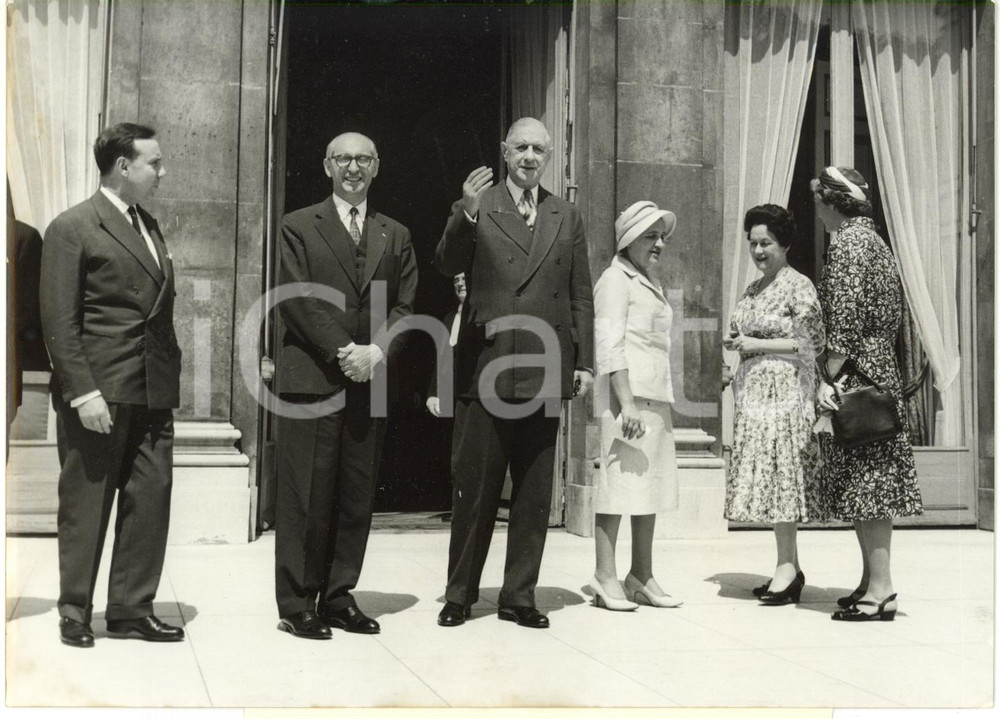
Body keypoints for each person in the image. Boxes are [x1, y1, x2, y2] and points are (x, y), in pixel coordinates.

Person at [434, 117, 594, 629]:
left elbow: (580, 294)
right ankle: (459, 594)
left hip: (546, 366)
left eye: (538, 149)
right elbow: (445, 262)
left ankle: (519, 596)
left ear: (548, 156)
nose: (529, 156)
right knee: (476, 490)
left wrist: (584, 360)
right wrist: (468, 213)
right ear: (505, 152)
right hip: (489, 366)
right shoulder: (479, 205)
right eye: (520, 147)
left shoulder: (565, 215)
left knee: (532, 491)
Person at [40, 123, 182, 647]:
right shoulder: (74, 226)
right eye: (155, 163)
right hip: (100, 392)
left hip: (151, 390)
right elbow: (59, 320)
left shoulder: (148, 224)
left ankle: (129, 609)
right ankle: (75, 611)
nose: (162, 172)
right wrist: (83, 392)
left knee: (151, 500)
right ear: (123, 167)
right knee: (87, 502)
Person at [273, 132, 417, 639]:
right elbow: (298, 299)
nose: (353, 168)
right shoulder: (298, 226)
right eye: (343, 159)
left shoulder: (393, 233)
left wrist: (376, 351)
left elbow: (404, 305)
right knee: (305, 495)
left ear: (376, 167)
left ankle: (337, 596)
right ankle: (297, 603)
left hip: (370, 379)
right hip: (313, 378)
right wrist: (344, 351)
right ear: (326, 166)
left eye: (363, 159)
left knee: (356, 495)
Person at [812, 166, 922, 622]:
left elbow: (844, 323)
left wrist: (828, 380)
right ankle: (868, 582)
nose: (817, 208)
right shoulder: (873, 241)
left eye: (820, 199)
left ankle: (880, 590)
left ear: (836, 203)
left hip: (859, 375)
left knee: (870, 483)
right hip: (878, 370)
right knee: (866, 482)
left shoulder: (850, 244)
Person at [723, 204, 826, 606]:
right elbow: (742, 337)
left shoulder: (799, 286)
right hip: (754, 399)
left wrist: (758, 344)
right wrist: (734, 360)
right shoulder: (753, 290)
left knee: (784, 476)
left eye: (766, 242)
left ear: (784, 243)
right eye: (753, 244)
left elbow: (812, 344)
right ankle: (788, 567)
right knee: (770, 478)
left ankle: (788, 569)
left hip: (785, 398)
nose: (759, 251)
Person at [591, 201, 683, 611]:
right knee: (617, 489)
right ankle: (604, 576)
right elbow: (609, 345)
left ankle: (640, 575)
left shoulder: (648, 281)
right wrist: (626, 402)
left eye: (662, 236)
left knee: (650, 488)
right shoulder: (615, 279)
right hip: (625, 400)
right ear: (628, 240)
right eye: (650, 235)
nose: (660, 243)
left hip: (654, 397)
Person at [426, 272, 467, 418]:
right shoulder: (449, 318)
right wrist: (433, 393)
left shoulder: (481, 317)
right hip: (445, 399)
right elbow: (440, 359)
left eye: (464, 279)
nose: (460, 283)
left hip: (469, 397)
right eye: (456, 280)